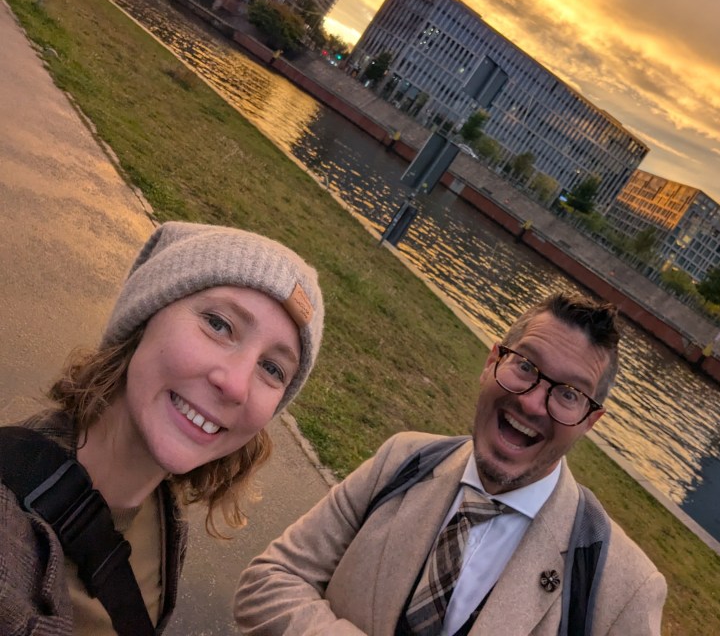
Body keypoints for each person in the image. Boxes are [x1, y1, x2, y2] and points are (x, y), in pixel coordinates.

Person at [234, 291, 666, 635]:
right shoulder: (402, 461)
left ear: (590, 421)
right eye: (527, 365)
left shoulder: (623, 588)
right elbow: (269, 581)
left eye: (570, 393)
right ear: (492, 361)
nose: (533, 402)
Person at [0, 221, 324, 635]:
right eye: (219, 324)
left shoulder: (163, 514)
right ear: (145, 317)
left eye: (272, 368)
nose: (237, 384)